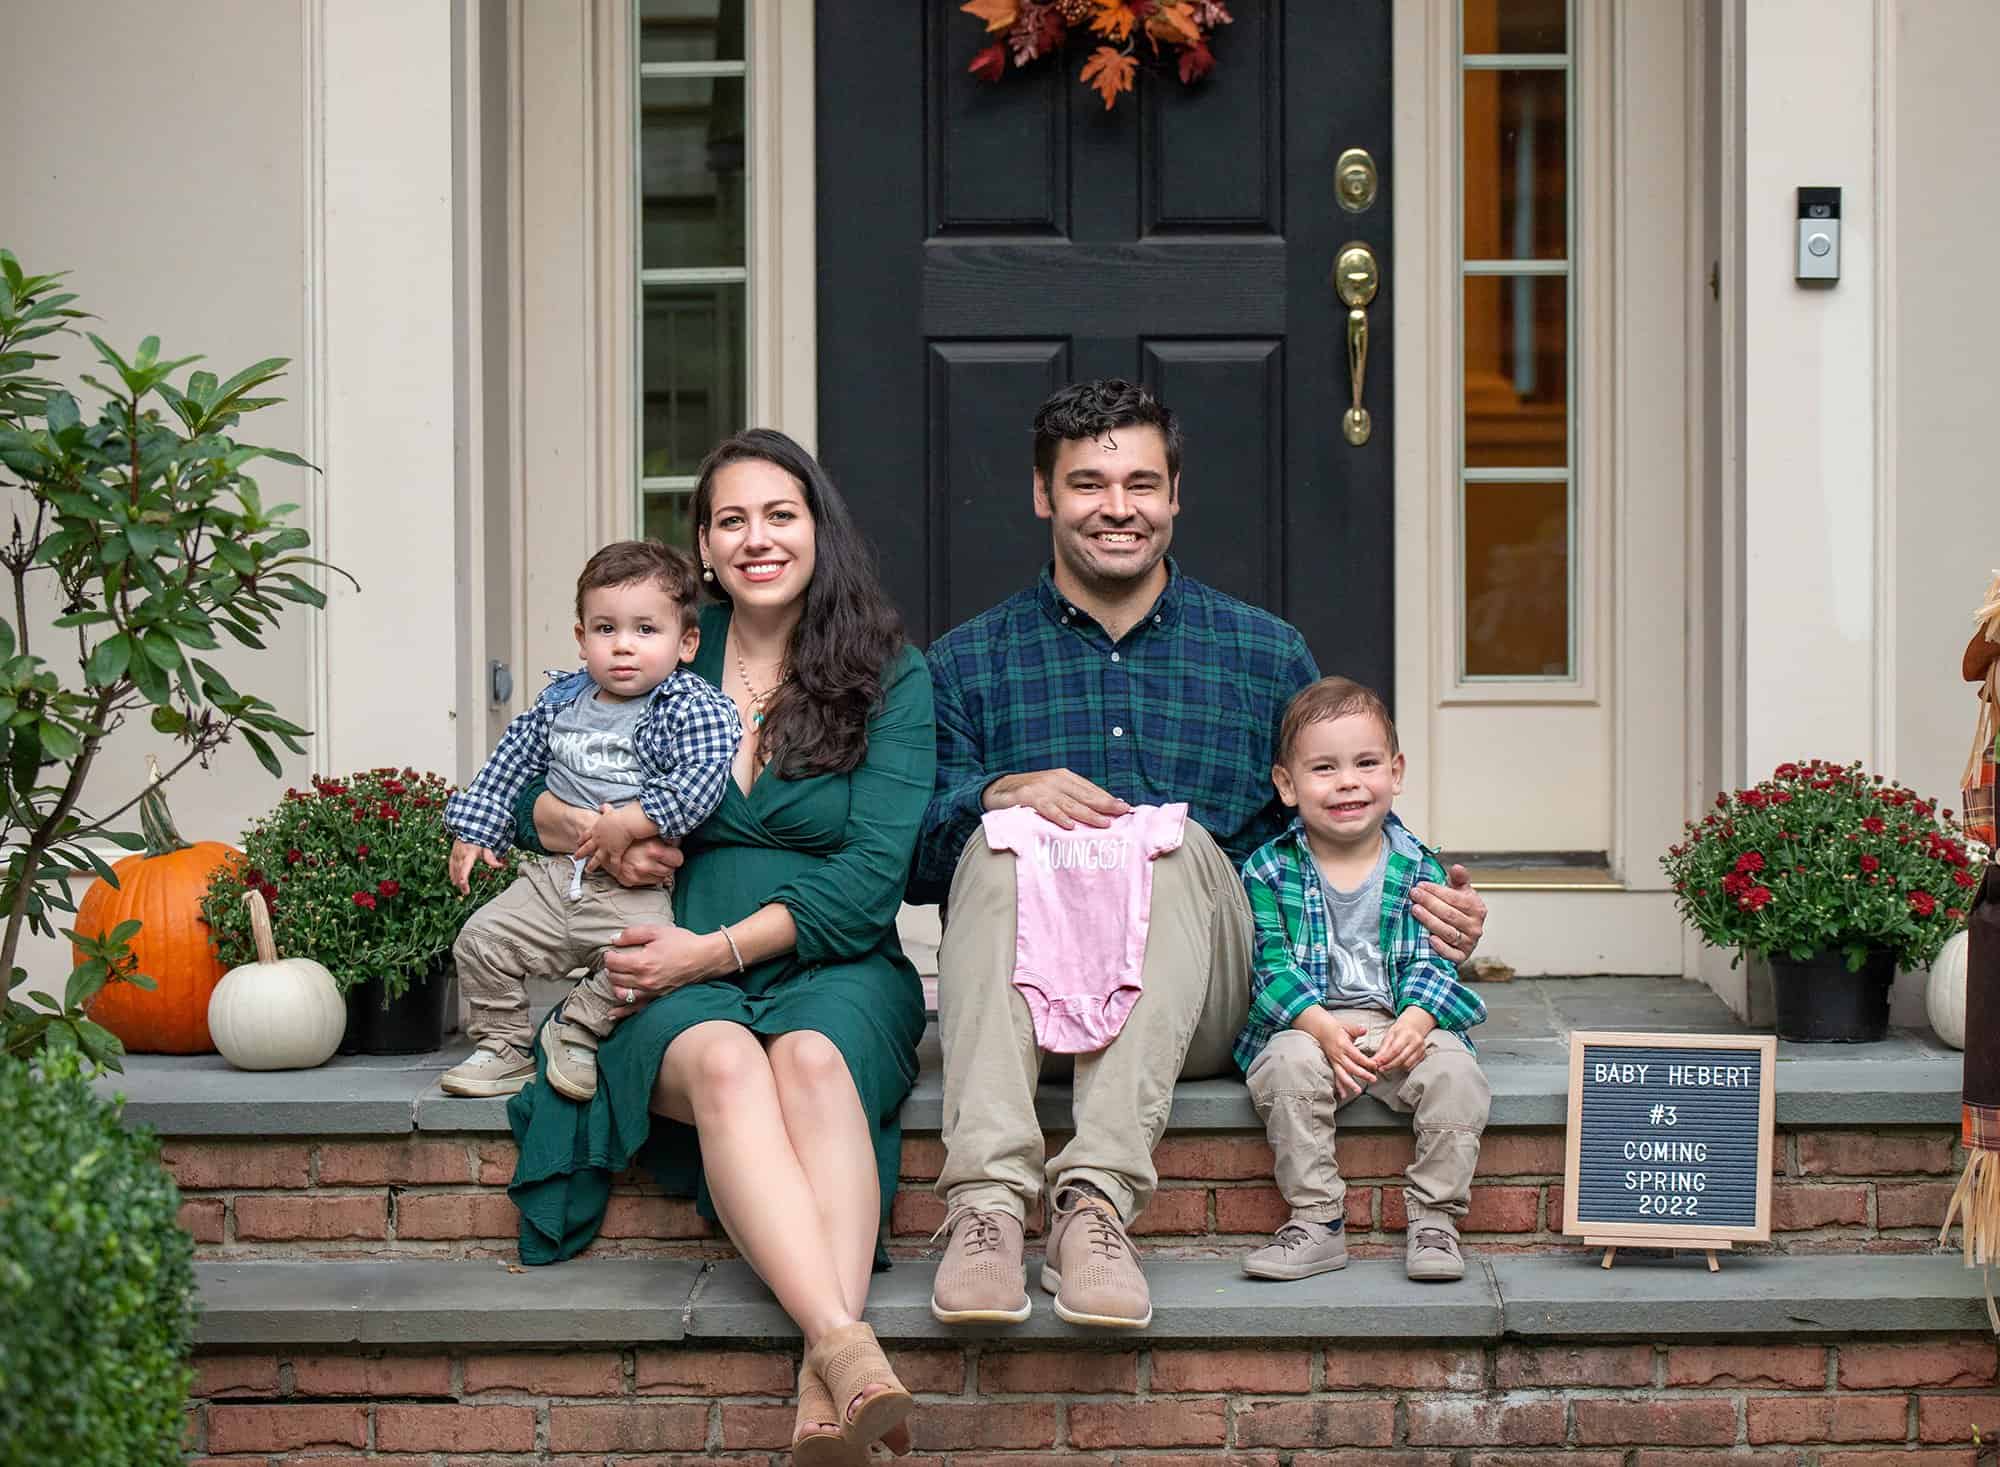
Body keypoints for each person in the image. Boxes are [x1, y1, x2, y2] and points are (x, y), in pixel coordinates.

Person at [912, 379, 1490, 1330]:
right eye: (1088, 483)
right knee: (996, 836)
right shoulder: (969, 662)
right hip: (1027, 1003)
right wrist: (996, 795)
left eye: (1142, 482)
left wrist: (1423, 900)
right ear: (1043, 495)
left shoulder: (1263, 653)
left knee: (1168, 846)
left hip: (1201, 1000)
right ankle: (984, 1206)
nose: (1118, 507)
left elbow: (1342, 822)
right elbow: (917, 864)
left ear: (1175, 494)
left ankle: (1094, 1206)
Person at [503, 429, 935, 1463]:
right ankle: (843, 1354)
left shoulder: (886, 671)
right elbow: (523, 784)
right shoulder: (657, 637)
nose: (757, 539)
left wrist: (713, 953)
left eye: (779, 515)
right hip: (658, 967)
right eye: (730, 520)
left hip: (831, 961)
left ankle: (819, 1380)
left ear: (816, 530)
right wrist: (587, 828)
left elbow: (868, 879)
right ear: (702, 543)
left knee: (816, 1059)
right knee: (734, 1067)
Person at [440, 541, 740, 1101]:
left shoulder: (690, 706)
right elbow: (511, 762)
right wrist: (475, 830)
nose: (623, 646)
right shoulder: (561, 703)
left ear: (687, 643)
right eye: (606, 629)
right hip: (557, 877)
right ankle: (503, 1047)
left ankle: (575, 1027)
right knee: (480, 939)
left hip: (636, 886)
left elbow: (701, 781)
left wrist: (629, 822)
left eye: (646, 631)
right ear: (581, 639)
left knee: (649, 965)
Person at [1236, 677, 1490, 1284]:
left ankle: (1434, 1219)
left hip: (1399, 1021)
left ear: (1396, 772)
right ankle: (1317, 1219)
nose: (1349, 781)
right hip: (1309, 1024)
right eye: (1324, 768)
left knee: (1457, 1075)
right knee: (1284, 1070)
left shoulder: (1416, 865)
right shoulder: (1269, 869)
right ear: (1287, 785)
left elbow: (1435, 959)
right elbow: (1269, 966)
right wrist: (1319, 1028)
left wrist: (1418, 1020)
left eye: (1367, 763)